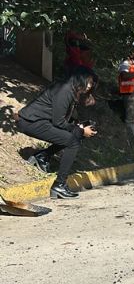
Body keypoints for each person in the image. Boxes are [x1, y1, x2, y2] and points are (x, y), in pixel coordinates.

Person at [17, 67, 98, 199]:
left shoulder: (71, 90)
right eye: (88, 81)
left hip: (40, 121)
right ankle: (59, 185)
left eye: (91, 83)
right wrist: (81, 130)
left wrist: (78, 127)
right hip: (31, 122)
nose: (90, 86)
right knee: (73, 142)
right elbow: (59, 123)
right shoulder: (65, 90)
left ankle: (42, 156)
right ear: (80, 79)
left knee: (75, 135)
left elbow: (61, 120)